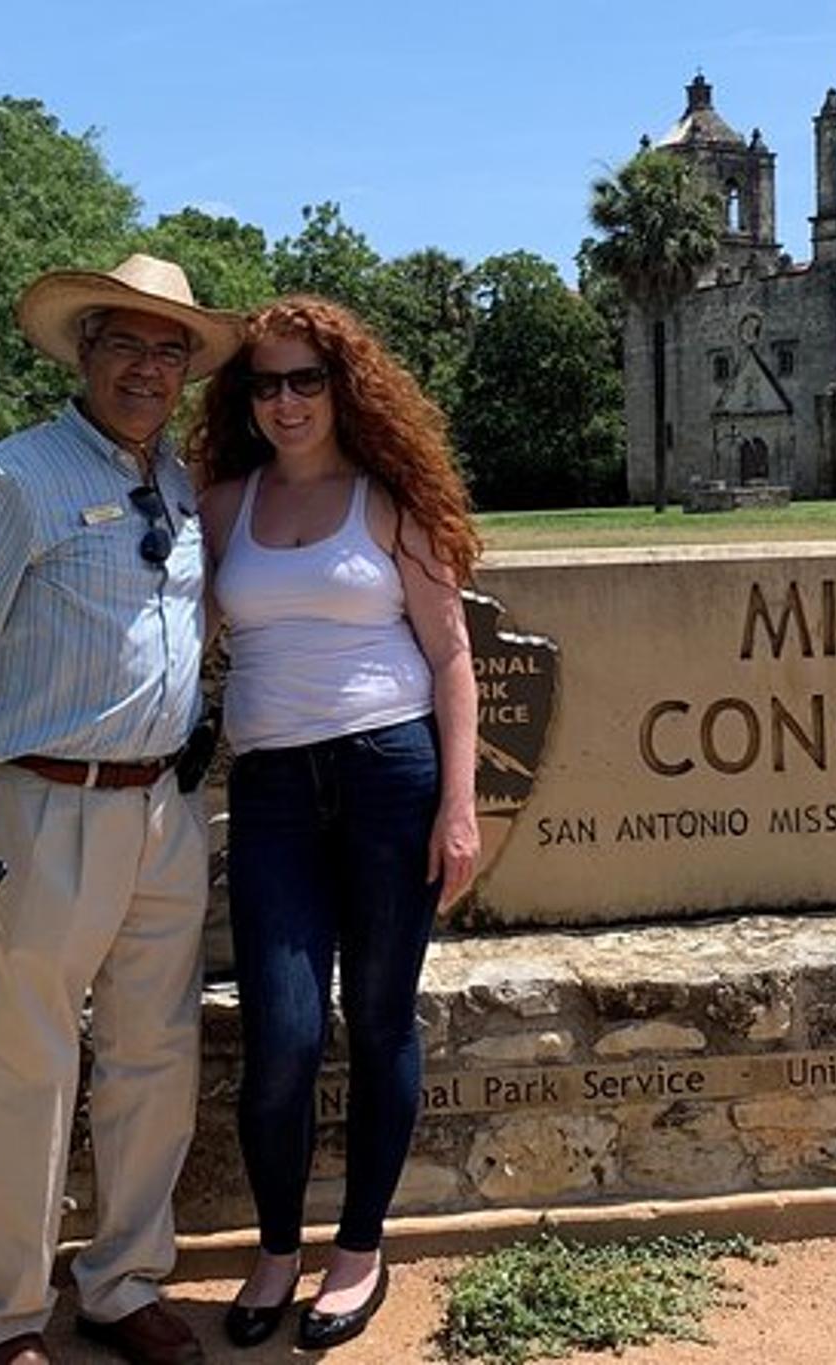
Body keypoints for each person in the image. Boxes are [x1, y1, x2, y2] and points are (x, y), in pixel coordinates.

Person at [0, 254, 241, 1365]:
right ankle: (3, 1315)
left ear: (187, 369)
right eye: (127, 344)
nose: (148, 367)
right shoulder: (12, 478)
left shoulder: (179, 482)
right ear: (83, 349)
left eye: (169, 349)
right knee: (25, 1065)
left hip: (162, 813)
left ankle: (122, 1281)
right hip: (41, 808)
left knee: (153, 1056)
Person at [191, 296, 481, 1350]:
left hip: (387, 777)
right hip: (270, 793)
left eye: (304, 378)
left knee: (381, 1017)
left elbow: (450, 656)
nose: (284, 400)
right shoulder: (221, 506)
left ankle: (358, 1248)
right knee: (283, 1031)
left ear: (342, 386)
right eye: (263, 382)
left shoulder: (390, 502)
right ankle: (277, 1248)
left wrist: (457, 805)